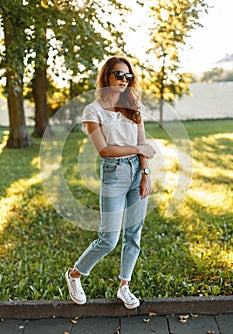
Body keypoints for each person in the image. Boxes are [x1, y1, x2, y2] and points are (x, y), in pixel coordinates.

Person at [65, 56, 156, 310]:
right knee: (109, 238)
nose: (124, 80)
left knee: (133, 234)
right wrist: (140, 148)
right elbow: (104, 150)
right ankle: (74, 275)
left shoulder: (134, 107)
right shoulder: (92, 111)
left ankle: (124, 286)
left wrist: (146, 174)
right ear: (106, 76)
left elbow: (144, 146)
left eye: (128, 76)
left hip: (138, 172)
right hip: (114, 174)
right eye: (118, 74)